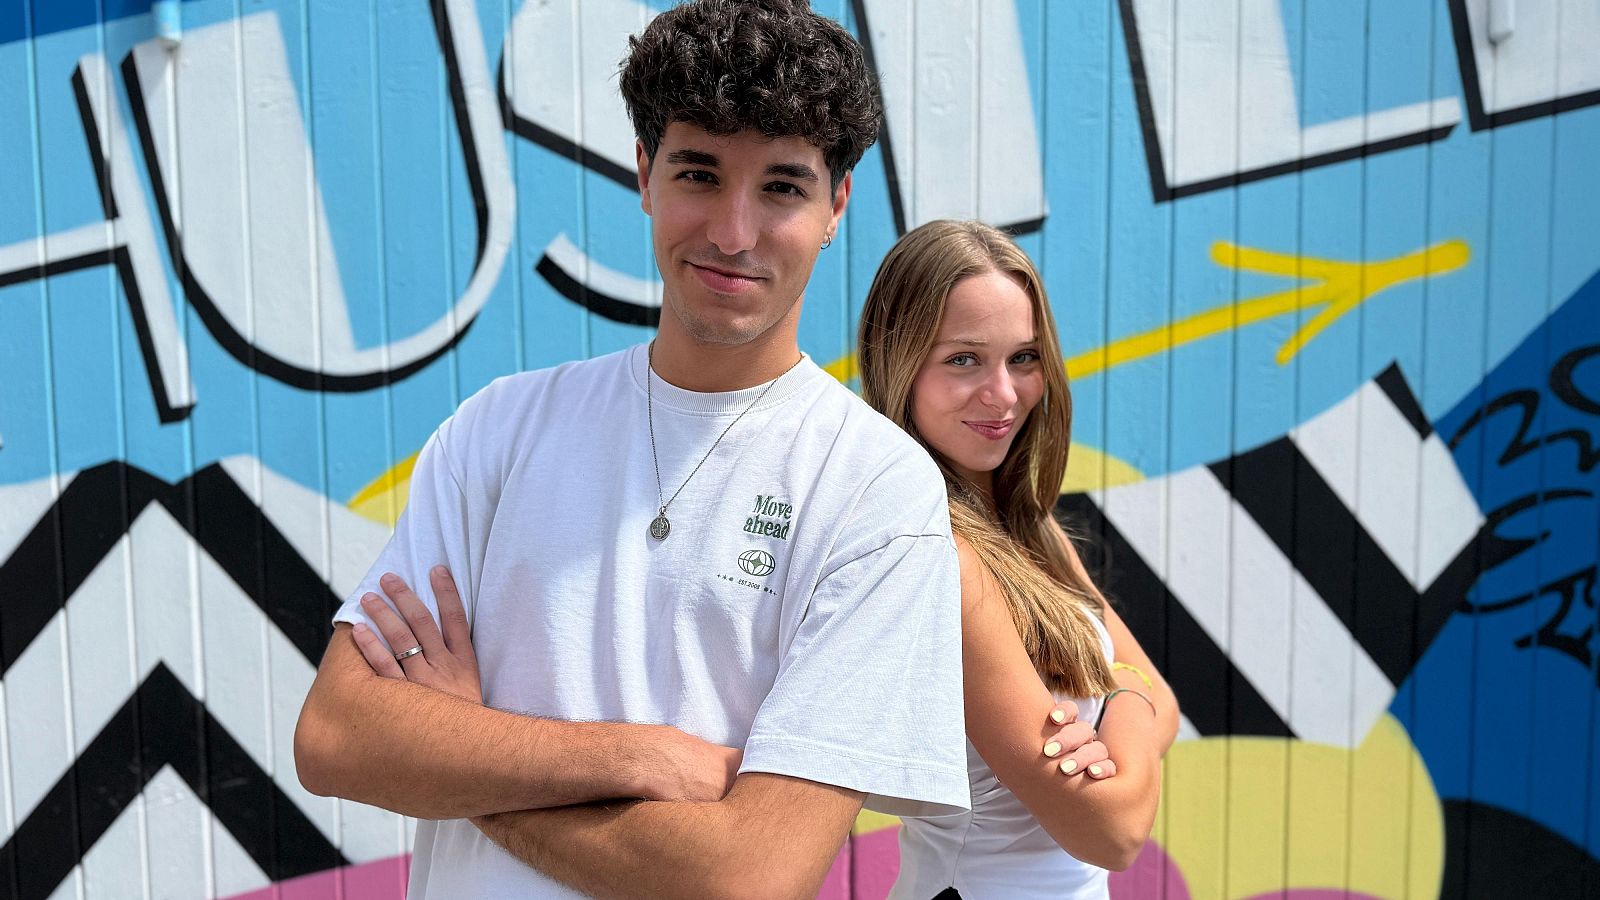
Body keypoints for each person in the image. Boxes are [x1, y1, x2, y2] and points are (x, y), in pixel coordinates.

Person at [290, 3, 1004, 897]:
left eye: (782, 187)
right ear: (644, 175)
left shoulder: (874, 487)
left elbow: (747, 877)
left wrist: (464, 751)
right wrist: (640, 757)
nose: (734, 232)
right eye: (699, 173)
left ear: (836, 206)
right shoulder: (498, 430)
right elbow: (335, 739)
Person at [857, 220, 1183, 900]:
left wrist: (1120, 703)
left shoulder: (1029, 528)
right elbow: (1113, 828)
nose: (1004, 394)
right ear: (898, 363)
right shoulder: (941, 556)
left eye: (1024, 358)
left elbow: (1168, 704)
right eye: (964, 360)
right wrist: (1128, 699)